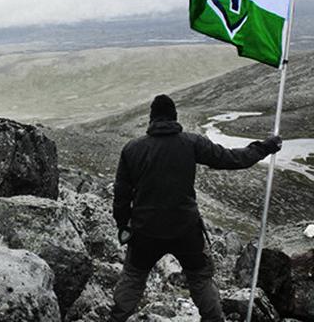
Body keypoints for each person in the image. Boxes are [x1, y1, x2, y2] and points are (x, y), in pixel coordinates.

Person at [109, 94, 282, 322]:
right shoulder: (191, 143)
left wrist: (124, 225)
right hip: (185, 231)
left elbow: (121, 196)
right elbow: (231, 159)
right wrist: (265, 147)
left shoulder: (132, 149)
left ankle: (116, 318)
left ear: (152, 118)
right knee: (200, 280)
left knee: (133, 278)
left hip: (145, 231)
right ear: (174, 117)